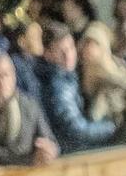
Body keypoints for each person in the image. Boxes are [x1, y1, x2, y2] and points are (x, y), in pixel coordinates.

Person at [0, 49, 58, 167]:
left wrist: (49, 151)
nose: (2, 82)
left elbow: (48, 139)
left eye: (5, 75)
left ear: (14, 75)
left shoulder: (29, 104)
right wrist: (29, 160)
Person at [36, 24, 115, 154]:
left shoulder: (68, 76)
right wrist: (112, 128)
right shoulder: (58, 86)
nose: (68, 56)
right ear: (48, 55)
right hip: (73, 153)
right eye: (61, 51)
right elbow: (77, 130)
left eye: (70, 48)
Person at [78, 22, 126, 129]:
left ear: (103, 46)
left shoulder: (121, 69)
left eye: (94, 43)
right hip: (99, 130)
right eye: (86, 43)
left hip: (125, 125)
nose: (88, 48)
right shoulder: (77, 73)